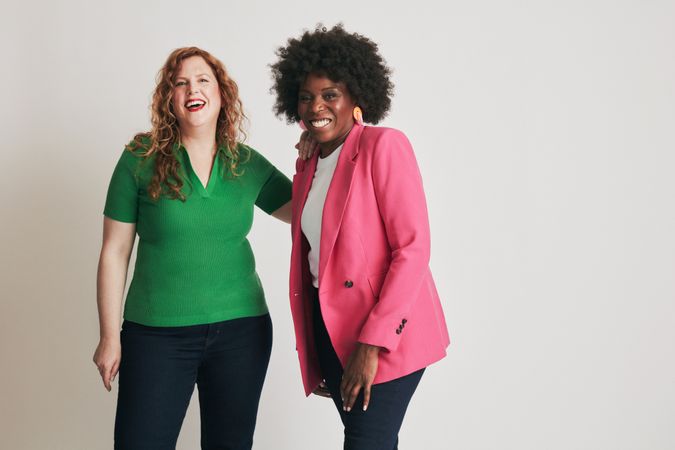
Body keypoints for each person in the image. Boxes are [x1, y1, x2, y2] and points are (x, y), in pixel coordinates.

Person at [93, 47, 292, 450]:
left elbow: (309, 211)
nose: (191, 89)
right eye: (179, 83)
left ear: (222, 94)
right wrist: (109, 336)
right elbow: (115, 252)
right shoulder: (139, 159)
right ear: (169, 98)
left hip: (242, 331)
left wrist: (319, 154)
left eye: (203, 80)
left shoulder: (246, 163)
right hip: (155, 335)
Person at [270, 25, 451, 450]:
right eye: (306, 96)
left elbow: (413, 249)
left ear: (356, 99)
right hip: (332, 329)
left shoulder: (383, 145)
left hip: (382, 334)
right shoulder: (310, 162)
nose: (317, 106)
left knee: (368, 441)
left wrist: (371, 345)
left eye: (330, 94)